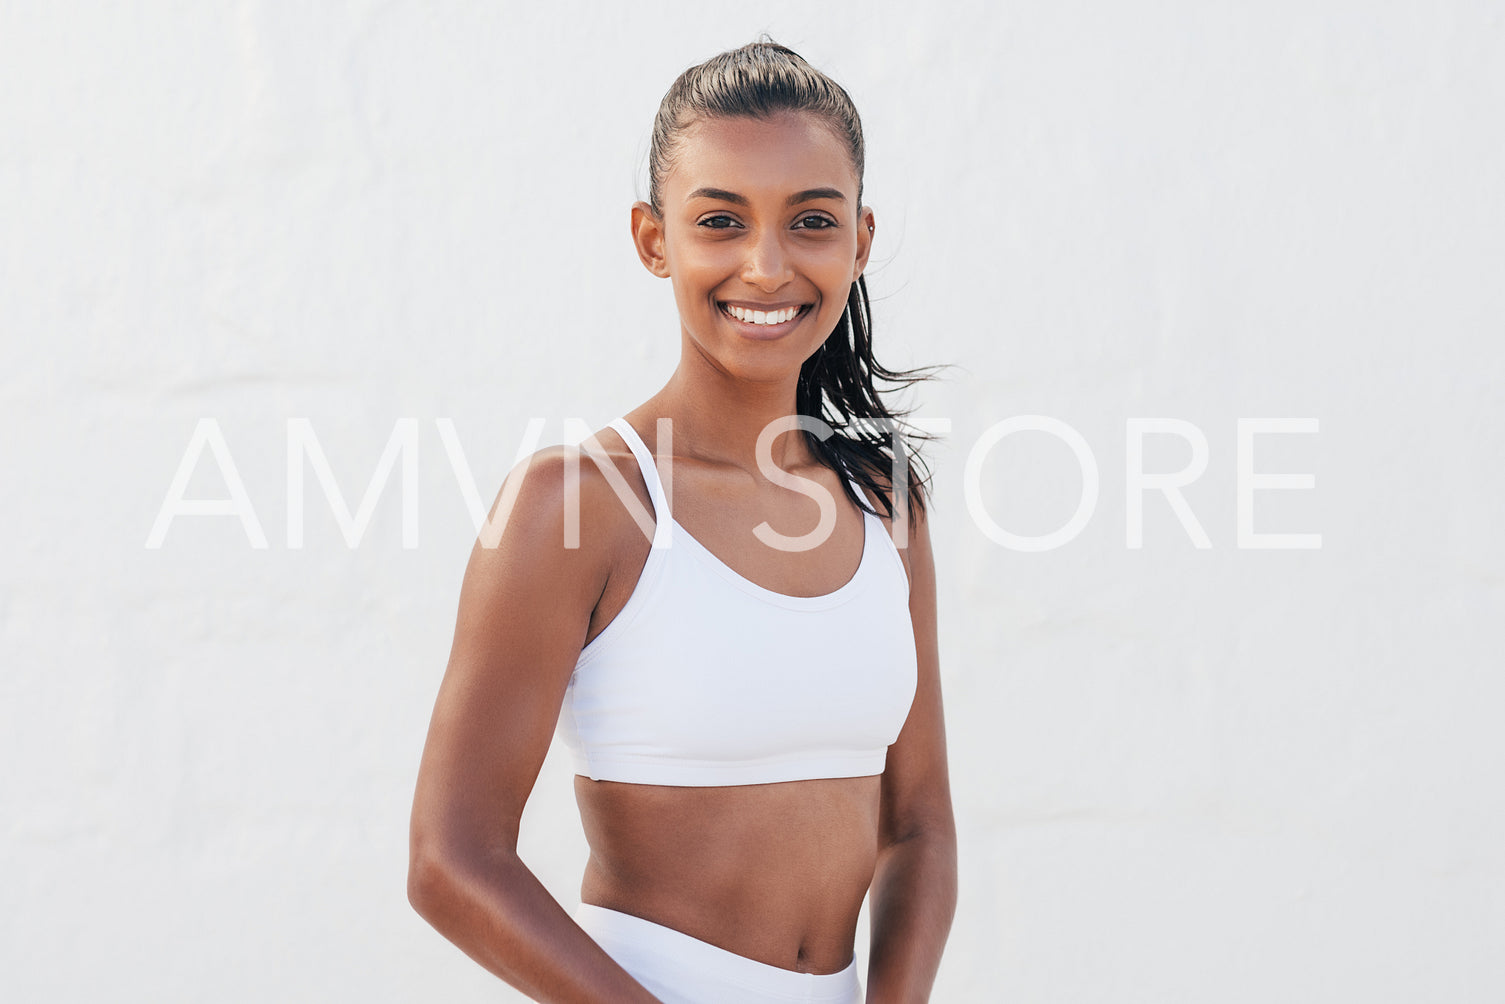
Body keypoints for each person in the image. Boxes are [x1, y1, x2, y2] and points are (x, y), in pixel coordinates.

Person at [407, 37, 956, 1003]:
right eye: (720, 221)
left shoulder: (884, 499)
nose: (766, 264)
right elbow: (451, 860)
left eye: (811, 220)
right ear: (653, 239)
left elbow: (917, 825)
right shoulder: (575, 505)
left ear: (859, 242)